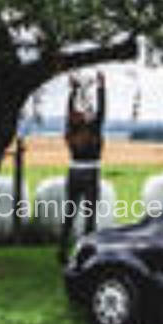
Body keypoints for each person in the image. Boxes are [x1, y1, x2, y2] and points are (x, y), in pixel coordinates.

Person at [59, 70, 105, 262]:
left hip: (74, 173)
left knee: (70, 214)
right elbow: (102, 110)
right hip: (90, 173)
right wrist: (102, 87)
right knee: (89, 217)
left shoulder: (72, 129)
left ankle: (62, 251)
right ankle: (87, 252)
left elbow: (69, 111)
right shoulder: (93, 128)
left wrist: (73, 91)